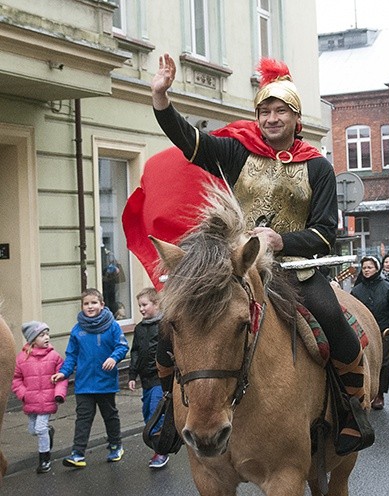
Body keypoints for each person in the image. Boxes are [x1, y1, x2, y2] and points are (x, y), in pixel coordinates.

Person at [151, 54, 370, 455]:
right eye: (265, 111)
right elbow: (189, 141)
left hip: (295, 271)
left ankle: (350, 411)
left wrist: (282, 240)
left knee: (335, 322)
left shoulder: (317, 167)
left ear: (295, 116)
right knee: (173, 328)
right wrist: (162, 99)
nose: (271, 118)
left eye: (280, 111)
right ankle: (169, 409)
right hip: (237, 270)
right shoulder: (238, 153)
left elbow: (325, 235)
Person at [52, 288, 129, 468]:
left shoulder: (112, 326)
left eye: (94, 303)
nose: (90, 306)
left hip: (105, 383)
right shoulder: (78, 330)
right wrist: (64, 372)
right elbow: (71, 355)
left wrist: (113, 358)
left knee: (110, 415)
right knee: (83, 418)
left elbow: (122, 346)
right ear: (82, 306)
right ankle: (77, 454)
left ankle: (116, 446)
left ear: (102, 305)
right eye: (86, 303)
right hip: (84, 383)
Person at [12, 321, 68, 473]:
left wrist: (58, 394)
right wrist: (23, 394)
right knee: (33, 430)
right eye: (42, 335)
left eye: (47, 334)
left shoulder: (54, 356)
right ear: (32, 339)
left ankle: (44, 460)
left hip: (47, 400)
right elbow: (16, 379)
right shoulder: (22, 358)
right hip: (30, 401)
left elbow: (61, 378)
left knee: (40, 428)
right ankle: (49, 432)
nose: (47, 337)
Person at [351, 256, 389, 410]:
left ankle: (379, 394)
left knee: (384, 364)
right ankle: (365, 392)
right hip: (363, 333)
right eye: (364, 268)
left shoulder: (387, 287)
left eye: (370, 267)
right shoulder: (357, 290)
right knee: (363, 362)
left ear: (377, 268)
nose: (366, 270)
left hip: (383, 331)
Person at [128, 287, 168, 469]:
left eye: (145, 305)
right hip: (145, 380)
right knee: (147, 415)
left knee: (155, 412)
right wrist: (132, 375)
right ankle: (157, 446)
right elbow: (135, 352)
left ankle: (161, 451)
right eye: (139, 306)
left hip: (160, 378)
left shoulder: (164, 325)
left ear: (156, 304)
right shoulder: (139, 328)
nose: (141, 309)